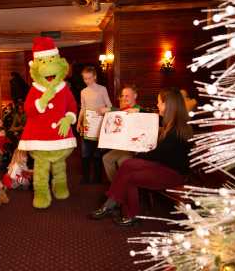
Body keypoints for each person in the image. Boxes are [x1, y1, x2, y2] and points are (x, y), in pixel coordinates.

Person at [89, 87, 193, 226]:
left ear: (168, 105)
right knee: (127, 164)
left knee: (130, 178)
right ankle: (112, 204)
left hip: (173, 173)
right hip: (163, 165)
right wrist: (138, 111)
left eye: (159, 102)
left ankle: (128, 214)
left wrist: (138, 153)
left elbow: (157, 154)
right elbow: (151, 115)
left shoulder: (177, 129)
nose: (157, 105)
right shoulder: (172, 121)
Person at [76, 66, 112, 184]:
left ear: (95, 77)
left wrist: (103, 109)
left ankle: (97, 178)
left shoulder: (102, 89)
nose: (87, 81)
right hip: (88, 124)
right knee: (85, 152)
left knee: (97, 152)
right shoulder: (83, 92)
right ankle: (85, 177)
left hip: (99, 124)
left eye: (89, 78)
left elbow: (109, 106)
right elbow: (83, 108)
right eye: (85, 79)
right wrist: (79, 121)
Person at [102, 85, 143, 182]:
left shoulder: (139, 109)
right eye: (123, 96)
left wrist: (137, 111)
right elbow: (117, 110)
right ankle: (117, 187)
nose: (124, 98)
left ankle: (120, 189)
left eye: (127, 96)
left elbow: (143, 113)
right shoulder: (124, 109)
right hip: (124, 146)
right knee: (107, 158)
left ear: (135, 96)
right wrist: (107, 110)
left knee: (121, 162)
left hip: (134, 148)